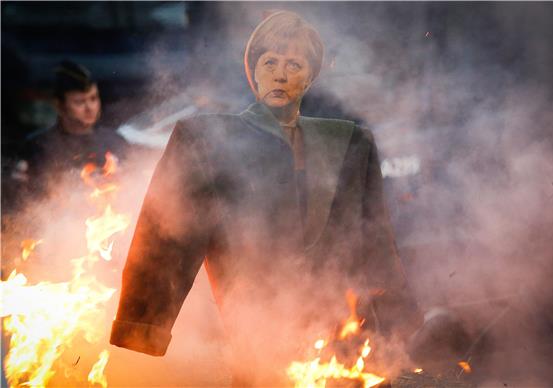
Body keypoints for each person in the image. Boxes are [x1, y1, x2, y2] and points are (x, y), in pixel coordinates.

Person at [110, 11, 422, 384]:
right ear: (253, 71)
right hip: (255, 332)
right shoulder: (208, 140)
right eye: (269, 61)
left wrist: (407, 332)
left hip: (341, 335)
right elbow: (165, 239)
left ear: (310, 77)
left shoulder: (350, 142)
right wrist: (141, 329)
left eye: (294, 63)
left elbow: (376, 242)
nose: (280, 73)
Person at [15, 60, 128, 200]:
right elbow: (33, 201)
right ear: (59, 105)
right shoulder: (40, 146)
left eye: (93, 98)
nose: (90, 108)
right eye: (79, 102)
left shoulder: (115, 140)